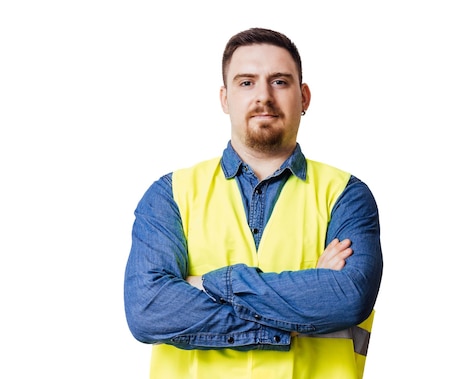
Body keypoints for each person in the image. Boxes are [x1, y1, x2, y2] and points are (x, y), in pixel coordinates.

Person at [123, 27, 383, 379]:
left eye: (280, 82)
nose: (264, 96)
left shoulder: (346, 196)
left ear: (304, 97)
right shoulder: (170, 194)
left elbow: (346, 298)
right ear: (225, 98)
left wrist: (208, 284)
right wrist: (303, 295)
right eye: (246, 83)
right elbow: (149, 310)